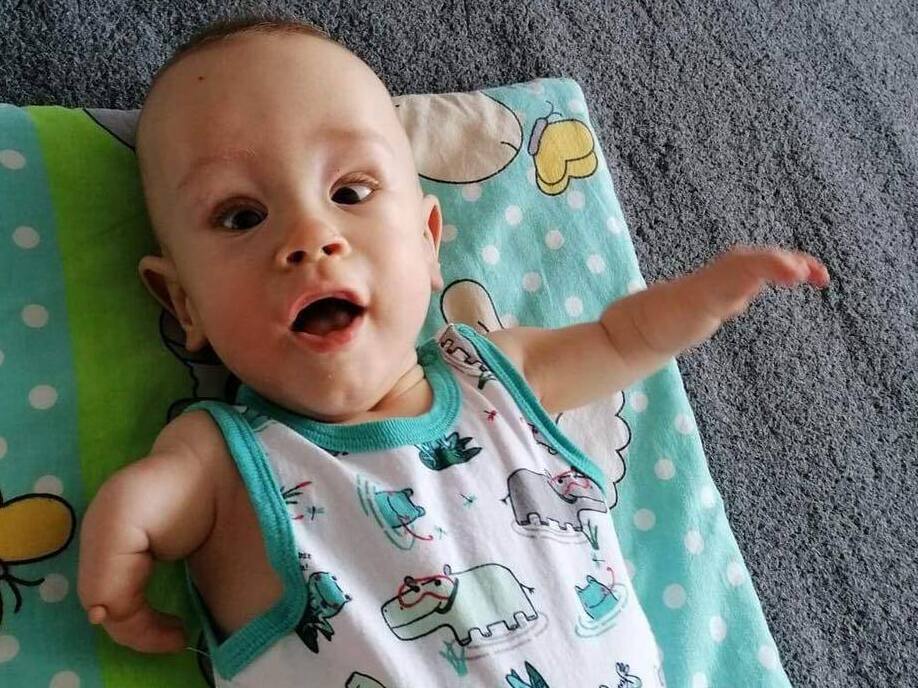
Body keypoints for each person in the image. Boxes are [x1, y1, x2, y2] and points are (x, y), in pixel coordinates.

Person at [78, 16, 830, 687]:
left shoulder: (494, 375)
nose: (310, 237)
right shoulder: (221, 458)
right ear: (183, 302)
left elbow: (620, 338)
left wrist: (707, 294)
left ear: (428, 242)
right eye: (241, 216)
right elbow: (141, 506)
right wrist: (119, 556)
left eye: (350, 192)